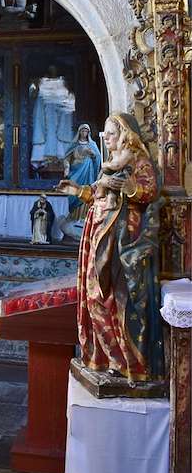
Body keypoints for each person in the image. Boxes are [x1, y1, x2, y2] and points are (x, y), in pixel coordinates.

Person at [57, 113, 164, 383]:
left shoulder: (138, 162)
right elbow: (96, 193)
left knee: (118, 300)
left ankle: (129, 363)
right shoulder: (108, 164)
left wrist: (131, 188)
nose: (106, 137)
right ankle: (108, 358)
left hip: (123, 239)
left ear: (125, 134)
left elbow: (150, 192)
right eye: (105, 133)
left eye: (111, 133)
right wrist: (77, 191)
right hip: (99, 233)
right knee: (95, 297)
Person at [29, 65, 75, 170]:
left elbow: (68, 108)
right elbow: (37, 110)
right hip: (46, 125)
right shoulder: (42, 91)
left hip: (60, 126)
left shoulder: (63, 91)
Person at [63, 124, 101, 218]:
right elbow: (67, 158)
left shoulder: (92, 144)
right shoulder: (74, 144)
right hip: (76, 171)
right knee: (74, 193)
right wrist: (67, 168)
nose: (84, 133)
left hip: (88, 172)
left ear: (89, 133)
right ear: (79, 132)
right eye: (82, 131)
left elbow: (98, 158)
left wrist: (92, 154)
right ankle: (74, 216)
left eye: (86, 131)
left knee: (86, 192)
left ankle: (84, 217)